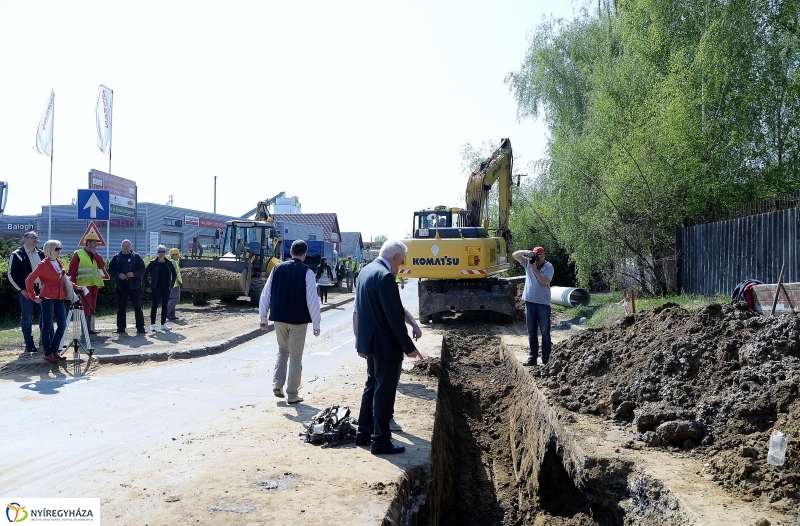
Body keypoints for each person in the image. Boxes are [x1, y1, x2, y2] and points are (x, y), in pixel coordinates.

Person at [354, 240, 423, 455]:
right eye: (400, 262)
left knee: (372, 386)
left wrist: (361, 342)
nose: (400, 267)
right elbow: (394, 318)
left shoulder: (365, 271)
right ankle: (381, 440)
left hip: (372, 343)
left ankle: (364, 433)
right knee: (384, 391)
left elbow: (361, 311)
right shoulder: (385, 277)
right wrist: (409, 347)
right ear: (395, 257)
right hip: (385, 346)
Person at [259, 240, 322, 405]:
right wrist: (316, 323)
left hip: (279, 318)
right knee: (295, 356)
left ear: (291, 252)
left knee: (282, 351)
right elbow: (312, 300)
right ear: (304, 253)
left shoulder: (277, 268)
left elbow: (265, 295)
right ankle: (292, 394)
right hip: (298, 321)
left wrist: (263, 318)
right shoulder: (307, 272)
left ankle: (277, 384)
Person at [25, 240, 82, 363]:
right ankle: (48, 353)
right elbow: (29, 280)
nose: (59, 251)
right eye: (57, 249)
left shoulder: (59, 261)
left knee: (62, 324)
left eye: (60, 248)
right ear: (50, 249)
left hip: (59, 297)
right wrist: (33, 296)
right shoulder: (42, 264)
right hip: (47, 298)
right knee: (47, 326)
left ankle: (55, 350)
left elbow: (64, 279)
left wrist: (76, 287)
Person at [512, 246, 554, 366]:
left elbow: (545, 281)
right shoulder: (528, 262)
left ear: (544, 255)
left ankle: (546, 359)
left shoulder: (548, 266)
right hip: (529, 302)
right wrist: (526, 252)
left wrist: (534, 269)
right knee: (532, 332)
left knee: (545, 333)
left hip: (543, 304)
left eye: (540, 255)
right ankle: (532, 358)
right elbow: (515, 255)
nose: (539, 258)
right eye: (536, 255)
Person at [7, 231, 44, 352]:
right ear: (25, 239)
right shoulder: (16, 254)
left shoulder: (42, 253)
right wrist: (21, 289)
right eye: (33, 237)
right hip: (26, 290)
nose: (35, 240)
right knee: (27, 316)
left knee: (46, 314)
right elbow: (11, 275)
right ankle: (29, 343)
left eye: (36, 238)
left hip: (42, 289)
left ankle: (44, 341)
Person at [68, 232, 105, 335]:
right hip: (83, 285)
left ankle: (90, 329)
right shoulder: (78, 253)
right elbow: (72, 271)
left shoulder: (96, 254)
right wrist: (73, 286)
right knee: (85, 306)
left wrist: (96, 254)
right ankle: (85, 329)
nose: (96, 244)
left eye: (96, 242)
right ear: (88, 243)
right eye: (94, 242)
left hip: (94, 284)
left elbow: (101, 265)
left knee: (92, 306)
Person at [108, 239, 147, 334]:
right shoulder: (116, 257)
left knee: (137, 307)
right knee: (121, 308)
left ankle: (140, 327)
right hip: (121, 286)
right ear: (121, 247)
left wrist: (134, 274)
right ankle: (121, 328)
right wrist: (118, 275)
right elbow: (110, 270)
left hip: (134, 286)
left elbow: (143, 270)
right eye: (124, 246)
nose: (125, 247)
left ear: (131, 246)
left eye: (127, 245)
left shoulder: (136, 257)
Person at [143, 245, 177, 332]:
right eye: (160, 252)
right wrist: (147, 286)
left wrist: (171, 286)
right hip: (155, 288)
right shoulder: (152, 263)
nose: (161, 253)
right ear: (157, 253)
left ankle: (163, 324)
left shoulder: (169, 263)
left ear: (165, 253)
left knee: (165, 306)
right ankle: (153, 325)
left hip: (166, 288)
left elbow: (174, 274)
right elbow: (145, 274)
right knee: (154, 305)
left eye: (163, 252)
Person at [167, 248, 183, 320]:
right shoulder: (173, 262)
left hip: (174, 284)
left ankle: (172, 315)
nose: (178, 256)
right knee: (176, 299)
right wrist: (179, 282)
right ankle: (166, 312)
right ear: (174, 255)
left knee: (172, 299)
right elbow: (173, 274)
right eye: (177, 254)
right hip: (174, 284)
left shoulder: (174, 262)